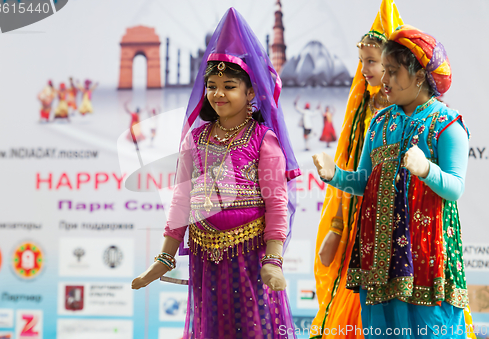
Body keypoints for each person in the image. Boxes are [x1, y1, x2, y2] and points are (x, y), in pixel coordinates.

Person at [131, 8, 300, 339]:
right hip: (204, 259)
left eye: (229, 86)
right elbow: (181, 199)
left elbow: (277, 203)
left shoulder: (262, 139)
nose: (218, 94)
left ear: (251, 92)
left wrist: (273, 261)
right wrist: (165, 257)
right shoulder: (196, 138)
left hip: (251, 260)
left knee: (254, 331)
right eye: (212, 85)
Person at [313, 24, 472, 338]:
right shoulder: (380, 122)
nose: (383, 80)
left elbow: (456, 187)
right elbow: (363, 181)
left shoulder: (446, 124)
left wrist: (427, 169)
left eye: (393, 71)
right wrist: (335, 176)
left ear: (419, 76)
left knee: (428, 327)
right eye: (383, 70)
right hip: (378, 254)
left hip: (426, 255)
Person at [310, 1, 399, 337]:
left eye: (372, 62)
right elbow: (349, 165)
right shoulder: (362, 106)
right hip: (361, 211)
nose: (365, 70)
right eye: (362, 62)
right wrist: (336, 224)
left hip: (400, 209)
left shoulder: (411, 110)